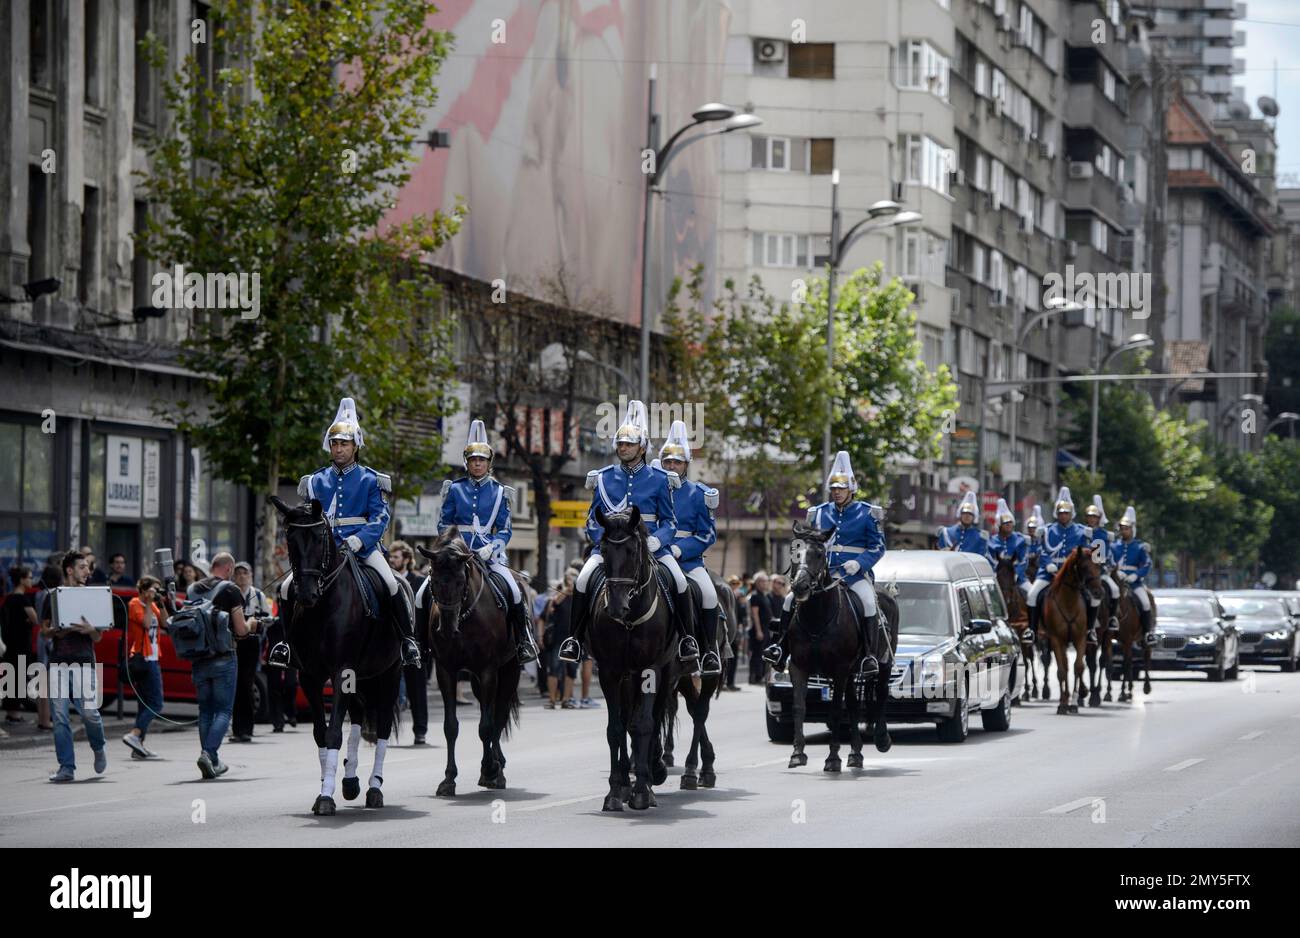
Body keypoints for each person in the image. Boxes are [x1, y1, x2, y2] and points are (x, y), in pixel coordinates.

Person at [269, 397, 421, 669]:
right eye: (335, 444)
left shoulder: (370, 479)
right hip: (322, 550)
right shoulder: (315, 481)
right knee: (284, 587)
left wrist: (359, 539)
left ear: (355, 447)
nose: (338, 449)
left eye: (344, 444)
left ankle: (408, 641)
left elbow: (380, 517)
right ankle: (287, 645)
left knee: (392, 583)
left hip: (362, 547)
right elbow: (309, 515)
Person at [558, 400, 700, 667]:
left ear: (642, 447)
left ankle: (686, 640)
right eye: (620, 444)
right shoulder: (604, 477)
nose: (623, 448)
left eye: (629, 444)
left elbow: (669, 521)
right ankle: (574, 640)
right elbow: (592, 518)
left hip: (651, 547)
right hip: (611, 547)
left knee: (680, 582)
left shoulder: (660, 478)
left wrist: (659, 540)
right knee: (582, 580)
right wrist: (602, 538)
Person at [763, 451, 887, 677]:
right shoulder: (817, 513)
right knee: (791, 599)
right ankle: (779, 647)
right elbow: (806, 545)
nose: (837, 492)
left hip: (854, 576)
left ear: (851, 488)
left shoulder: (868, 513)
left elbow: (878, 547)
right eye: (834, 488)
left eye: (841, 488)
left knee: (869, 602)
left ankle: (869, 655)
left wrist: (859, 564)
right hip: (821, 576)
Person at [433, 419, 539, 664]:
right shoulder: (454, 489)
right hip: (456, 555)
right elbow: (443, 524)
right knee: (423, 594)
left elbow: (505, 529)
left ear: (489, 463)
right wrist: (454, 544)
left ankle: (523, 640)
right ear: (467, 463)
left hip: (489, 556)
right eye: (473, 460)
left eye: (481, 460)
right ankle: (418, 642)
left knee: (514, 591)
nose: (477, 463)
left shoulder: (501, 492)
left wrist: (492, 546)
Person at [657, 419, 723, 675]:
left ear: (686, 465)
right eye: (667, 462)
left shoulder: (699, 493)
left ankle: (708, 652)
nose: (672, 466)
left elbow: (707, 535)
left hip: (687, 561)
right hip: (655, 557)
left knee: (709, 594)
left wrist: (680, 549)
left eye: (677, 462)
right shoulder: (652, 488)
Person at [41, 550, 108, 782]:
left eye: (88, 567)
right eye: (82, 567)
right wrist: (56, 631)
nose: (87, 571)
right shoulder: (54, 596)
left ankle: (98, 747)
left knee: (89, 713)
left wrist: (90, 630)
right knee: (60, 717)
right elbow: (44, 632)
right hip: (58, 663)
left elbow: (98, 637)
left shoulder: (92, 597)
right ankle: (66, 767)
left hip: (84, 662)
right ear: (69, 570)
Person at [188, 552, 254, 778]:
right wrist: (252, 624)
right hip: (223, 656)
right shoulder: (231, 590)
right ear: (228, 569)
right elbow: (240, 629)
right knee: (224, 711)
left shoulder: (193, 588)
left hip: (198, 657)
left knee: (205, 710)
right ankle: (208, 753)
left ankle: (212, 760)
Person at [1025, 486, 1097, 642]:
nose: (1063, 516)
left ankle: (1090, 630)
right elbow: (1043, 551)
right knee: (1032, 595)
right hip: (1048, 572)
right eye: (1061, 513)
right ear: (1056, 514)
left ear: (1072, 514)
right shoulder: (1047, 530)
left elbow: (1086, 553)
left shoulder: (1081, 531)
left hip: (1073, 575)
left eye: (1066, 513)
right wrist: (1048, 564)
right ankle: (1031, 630)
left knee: (1091, 597)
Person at [388, 540, 430, 742]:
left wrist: (424, 644)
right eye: (391, 557)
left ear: (406, 559)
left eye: (396, 557)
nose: (392, 560)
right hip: (392, 644)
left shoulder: (420, 582)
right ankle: (384, 729)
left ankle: (420, 730)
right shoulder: (387, 579)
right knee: (388, 689)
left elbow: (426, 614)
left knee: (417, 689)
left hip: (415, 643)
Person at [122, 576, 168, 758]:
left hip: (153, 657)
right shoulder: (134, 604)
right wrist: (148, 603)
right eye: (153, 590)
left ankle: (138, 748)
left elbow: (165, 623)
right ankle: (135, 734)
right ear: (142, 590)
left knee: (144, 705)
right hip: (144, 659)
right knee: (156, 703)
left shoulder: (153, 604)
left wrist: (161, 604)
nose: (155, 593)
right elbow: (147, 624)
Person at [230, 561, 270, 742]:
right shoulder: (230, 593)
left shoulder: (258, 595)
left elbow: (269, 619)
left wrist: (257, 622)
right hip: (234, 643)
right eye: (238, 573)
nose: (241, 576)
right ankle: (237, 728)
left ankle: (247, 728)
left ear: (251, 575)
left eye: (244, 573)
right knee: (236, 685)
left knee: (247, 683)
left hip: (251, 644)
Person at [1113, 506, 1157, 647]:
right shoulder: (1114, 546)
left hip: (1134, 583)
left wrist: (1135, 575)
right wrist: (1115, 572)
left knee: (1145, 602)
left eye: (1126, 528)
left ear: (1132, 529)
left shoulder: (1139, 547)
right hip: (1117, 581)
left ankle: (1148, 633)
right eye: (1122, 528)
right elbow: (1108, 561)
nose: (1124, 531)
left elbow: (1147, 564)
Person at [2, 566, 39, 723]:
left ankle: (10, 710)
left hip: (9, 643)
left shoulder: (9, 598)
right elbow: (35, 618)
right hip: (21, 644)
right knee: (20, 676)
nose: (31, 580)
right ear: (22, 580)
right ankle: (15, 713)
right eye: (29, 577)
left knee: (10, 677)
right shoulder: (23, 599)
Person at [1084, 495, 1121, 634]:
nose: (1092, 519)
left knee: (1115, 590)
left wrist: (1108, 565)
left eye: (1094, 517)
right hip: (1084, 573)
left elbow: (1108, 554)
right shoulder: (1080, 531)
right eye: (1089, 517)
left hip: (1100, 572)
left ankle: (1112, 618)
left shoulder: (1103, 534)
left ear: (1098, 519)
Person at [541, 571, 577, 708]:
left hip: (573, 638)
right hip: (558, 638)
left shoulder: (579, 598)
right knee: (554, 668)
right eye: (569, 579)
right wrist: (566, 591)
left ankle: (566, 699)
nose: (571, 582)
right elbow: (553, 605)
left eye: (573, 580)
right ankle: (552, 699)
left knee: (571, 669)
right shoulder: (559, 595)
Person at [987, 499, 1030, 599]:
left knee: (1032, 595)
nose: (1008, 525)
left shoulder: (1020, 540)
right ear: (999, 525)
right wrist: (995, 573)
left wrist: (1016, 573)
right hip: (997, 578)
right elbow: (989, 560)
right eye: (1005, 523)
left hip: (1018, 578)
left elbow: (1024, 561)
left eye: (1010, 522)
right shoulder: (991, 541)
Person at [747, 572, 772, 684]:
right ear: (758, 582)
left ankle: (760, 675)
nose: (765, 583)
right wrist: (758, 630)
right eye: (763, 581)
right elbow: (755, 614)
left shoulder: (764, 595)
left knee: (763, 654)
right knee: (757, 654)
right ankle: (755, 677)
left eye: (766, 581)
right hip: (759, 629)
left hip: (766, 629)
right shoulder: (755, 595)